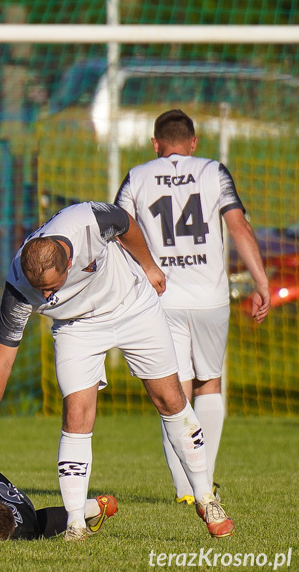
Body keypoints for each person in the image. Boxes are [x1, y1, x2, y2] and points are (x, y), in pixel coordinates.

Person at [0, 201, 234, 540]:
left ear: (70, 261)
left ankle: (205, 498)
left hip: (133, 306)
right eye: (39, 290)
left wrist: (149, 266)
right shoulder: (18, 285)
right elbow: (2, 361)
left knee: (169, 398)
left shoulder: (88, 222)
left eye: (52, 288)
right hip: (76, 327)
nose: (46, 295)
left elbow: (126, 222)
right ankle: (75, 523)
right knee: (77, 412)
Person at [115, 109, 270, 505]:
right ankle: (207, 479)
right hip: (209, 298)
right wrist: (261, 281)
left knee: (173, 391)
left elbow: (116, 232)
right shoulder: (213, 171)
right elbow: (239, 227)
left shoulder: (137, 176)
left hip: (160, 298)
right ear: (194, 142)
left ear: (155, 144)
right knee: (209, 384)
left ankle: (187, 488)